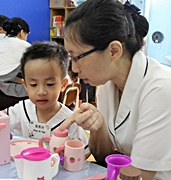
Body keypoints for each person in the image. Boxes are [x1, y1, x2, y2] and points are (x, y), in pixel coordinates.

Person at [58, 0, 171, 179]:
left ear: (113, 51)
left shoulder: (161, 89)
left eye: (77, 57)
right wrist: (97, 126)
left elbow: (143, 175)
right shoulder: (107, 83)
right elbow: (106, 158)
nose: (74, 69)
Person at [6, 41, 89, 155]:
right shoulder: (21, 109)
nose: (41, 92)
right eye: (33, 85)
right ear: (25, 85)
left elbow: (84, 152)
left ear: (63, 85)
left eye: (49, 84)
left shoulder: (69, 121)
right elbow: (0, 120)